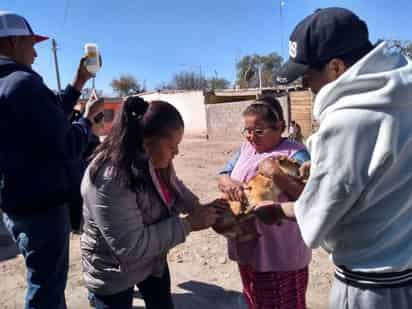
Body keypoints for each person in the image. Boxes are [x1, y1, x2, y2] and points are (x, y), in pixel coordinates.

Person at [256, 7, 412, 309]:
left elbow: (318, 216)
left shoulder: (347, 121)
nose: (306, 86)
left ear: (336, 67)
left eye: (308, 75)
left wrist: (278, 211)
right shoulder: (401, 97)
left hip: (371, 287)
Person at [0, 11, 103, 309]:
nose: (34, 53)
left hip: (16, 203)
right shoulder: (22, 83)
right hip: (42, 208)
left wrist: (78, 82)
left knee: (42, 279)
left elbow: (46, 113)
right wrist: (87, 123)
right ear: (13, 41)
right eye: (31, 44)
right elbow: (67, 145)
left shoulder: (11, 85)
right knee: (46, 287)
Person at [81, 96, 224, 309]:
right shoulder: (109, 178)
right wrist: (189, 224)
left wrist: (199, 207)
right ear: (147, 141)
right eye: (172, 146)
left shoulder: (154, 159)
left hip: (152, 259)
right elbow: (130, 246)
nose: (176, 152)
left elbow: (175, 186)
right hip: (114, 270)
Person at [217, 96, 311, 309]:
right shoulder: (246, 149)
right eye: (247, 130)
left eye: (258, 131)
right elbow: (223, 173)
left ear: (280, 127)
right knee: (255, 300)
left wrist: (277, 175)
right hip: (248, 245)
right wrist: (228, 182)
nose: (251, 136)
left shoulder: (295, 153)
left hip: (280, 254)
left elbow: (311, 200)